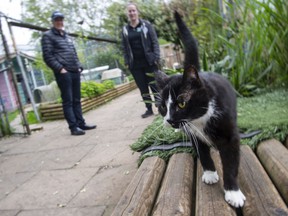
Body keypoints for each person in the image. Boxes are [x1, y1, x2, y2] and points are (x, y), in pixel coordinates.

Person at [41, 11, 96, 135]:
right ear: (53, 21)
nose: (59, 22)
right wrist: (60, 69)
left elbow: (73, 52)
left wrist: (79, 65)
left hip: (74, 71)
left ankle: (81, 123)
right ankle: (73, 127)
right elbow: (47, 56)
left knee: (76, 99)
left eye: (61, 19)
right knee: (68, 100)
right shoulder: (48, 36)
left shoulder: (66, 35)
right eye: (57, 20)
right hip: (63, 73)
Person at [121, 3, 160, 118]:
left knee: (154, 86)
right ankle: (149, 109)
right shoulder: (125, 30)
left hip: (149, 62)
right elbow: (124, 47)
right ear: (127, 13)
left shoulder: (146, 25)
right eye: (130, 11)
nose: (132, 13)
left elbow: (154, 42)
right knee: (143, 88)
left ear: (137, 12)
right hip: (135, 65)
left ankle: (160, 107)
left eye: (133, 10)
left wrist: (156, 57)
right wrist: (127, 62)